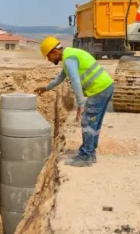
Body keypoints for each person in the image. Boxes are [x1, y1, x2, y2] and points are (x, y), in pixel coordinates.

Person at [34, 37, 114, 167]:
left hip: (98, 90)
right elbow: (60, 78)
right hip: (106, 86)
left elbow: (75, 81)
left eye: (48, 56)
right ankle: (90, 153)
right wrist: (46, 88)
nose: (49, 60)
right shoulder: (69, 55)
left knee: (87, 122)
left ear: (55, 52)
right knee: (95, 122)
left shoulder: (69, 60)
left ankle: (86, 156)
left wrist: (81, 104)